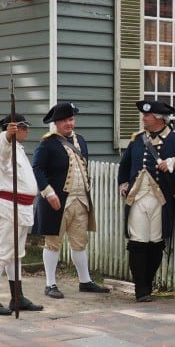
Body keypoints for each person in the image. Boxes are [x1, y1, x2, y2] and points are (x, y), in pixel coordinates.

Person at [118, 100, 175, 302]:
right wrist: (123, 183)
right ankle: (141, 290)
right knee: (137, 242)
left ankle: (147, 284)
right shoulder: (137, 139)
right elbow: (124, 164)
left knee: (155, 243)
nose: (143, 118)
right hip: (137, 198)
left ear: (159, 118)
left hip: (160, 200)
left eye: (147, 116)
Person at [32, 102, 110, 299]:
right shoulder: (47, 143)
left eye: (71, 119)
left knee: (79, 242)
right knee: (53, 242)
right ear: (56, 123)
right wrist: (48, 192)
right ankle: (50, 284)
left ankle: (85, 281)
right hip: (56, 200)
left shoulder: (81, 141)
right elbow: (37, 169)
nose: (69, 123)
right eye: (64, 120)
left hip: (80, 200)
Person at [0, 113, 43, 315]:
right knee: (3, 254)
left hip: (21, 208)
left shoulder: (19, 149)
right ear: (14, 129)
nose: (27, 130)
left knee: (16, 255)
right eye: (23, 127)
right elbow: (2, 150)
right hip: (8, 207)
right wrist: (7, 136)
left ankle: (17, 297)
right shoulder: (2, 147)